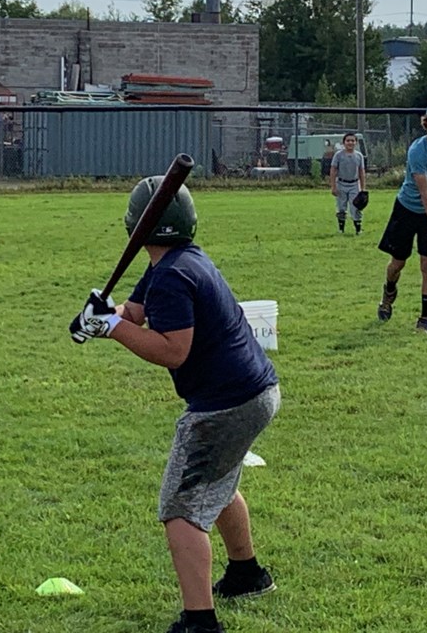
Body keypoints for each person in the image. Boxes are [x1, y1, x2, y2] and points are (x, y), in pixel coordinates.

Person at [69, 179, 281, 633]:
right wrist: (103, 313)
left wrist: (109, 328)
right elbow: (136, 311)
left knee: (181, 507)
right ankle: (247, 574)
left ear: (134, 227)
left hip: (224, 406)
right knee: (216, 483)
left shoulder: (172, 276)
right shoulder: (181, 260)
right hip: (255, 392)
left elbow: (172, 350)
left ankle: (200, 622)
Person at [376, 100, 427, 333]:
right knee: (397, 263)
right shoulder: (417, 150)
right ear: (426, 123)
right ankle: (389, 292)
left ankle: (425, 319)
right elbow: (425, 193)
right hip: (407, 209)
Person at [329, 132, 367, 234]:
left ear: (356, 143)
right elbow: (333, 170)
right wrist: (333, 186)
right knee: (341, 207)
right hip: (341, 183)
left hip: (354, 184)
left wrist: (362, 188)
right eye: (348, 140)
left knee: (355, 207)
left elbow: (361, 172)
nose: (350, 143)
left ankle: (358, 229)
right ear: (344, 142)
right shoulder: (338, 155)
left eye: (352, 140)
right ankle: (341, 229)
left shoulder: (359, 156)